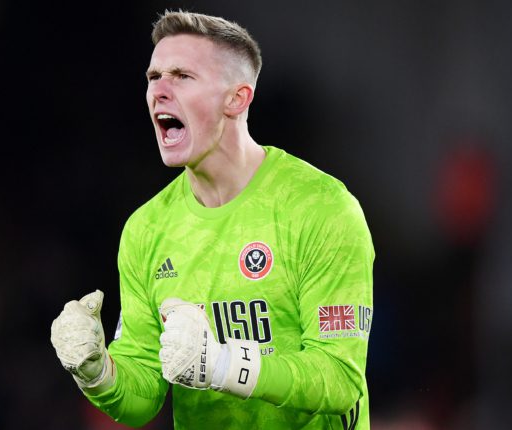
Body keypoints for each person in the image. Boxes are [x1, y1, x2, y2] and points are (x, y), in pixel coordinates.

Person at [50, 10, 374, 429]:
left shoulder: (320, 208)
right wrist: (98, 373)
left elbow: (339, 378)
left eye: (182, 76)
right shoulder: (146, 229)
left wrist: (222, 364)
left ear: (237, 99)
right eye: (153, 77)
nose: (159, 91)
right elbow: (143, 395)